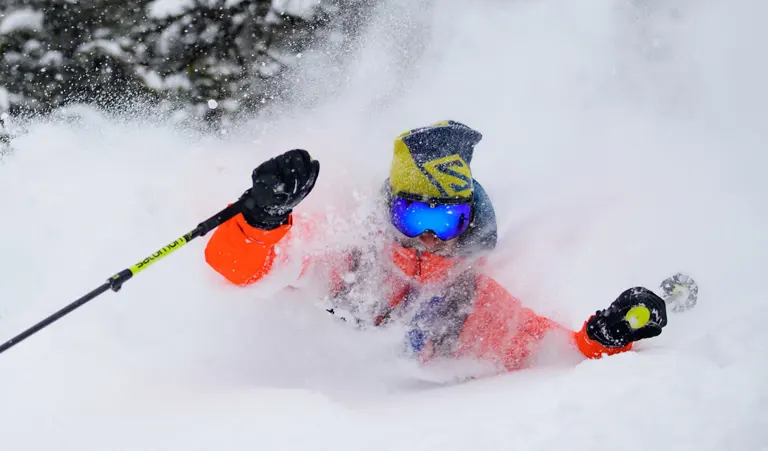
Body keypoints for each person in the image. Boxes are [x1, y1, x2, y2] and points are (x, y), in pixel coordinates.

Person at [204, 120, 668, 372]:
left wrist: (604, 337)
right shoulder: (349, 255)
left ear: (467, 223)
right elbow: (242, 271)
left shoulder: (471, 300)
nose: (427, 235)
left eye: (444, 220)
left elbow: (551, 352)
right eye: (413, 216)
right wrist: (261, 220)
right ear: (390, 213)